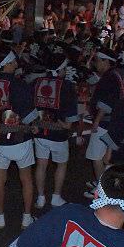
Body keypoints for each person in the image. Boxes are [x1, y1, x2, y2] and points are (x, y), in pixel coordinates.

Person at [0, 45, 38, 229]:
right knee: (26, 179)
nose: (16, 63)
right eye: (13, 60)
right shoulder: (18, 84)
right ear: (7, 64)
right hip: (20, 138)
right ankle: (26, 218)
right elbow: (30, 116)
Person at [33, 52, 78, 210]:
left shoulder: (37, 82)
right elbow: (71, 116)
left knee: (41, 164)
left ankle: (40, 197)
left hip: (40, 130)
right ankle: (56, 197)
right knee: (61, 164)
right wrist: (68, 125)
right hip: (59, 133)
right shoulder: (66, 86)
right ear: (59, 70)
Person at [85, 48, 124, 192]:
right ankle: (103, 182)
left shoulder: (109, 77)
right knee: (105, 157)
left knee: (95, 156)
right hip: (113, 121)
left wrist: (96, 121)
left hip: (105, 122)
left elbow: (106, 103)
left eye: (97, 60)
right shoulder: (114, 75)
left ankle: (102, 189)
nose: (95, 63)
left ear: (106, 61)